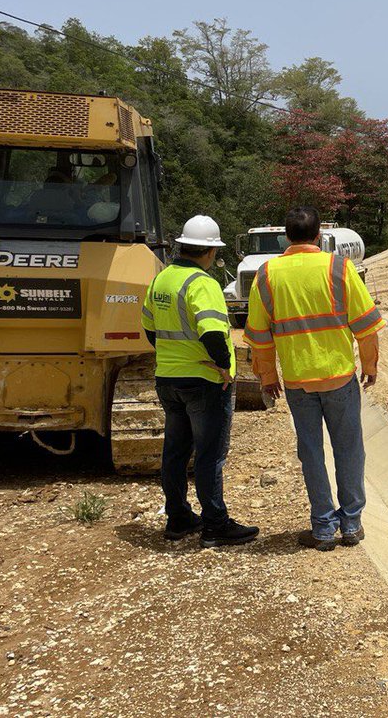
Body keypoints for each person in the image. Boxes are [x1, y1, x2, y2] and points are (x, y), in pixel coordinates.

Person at [245, 206, 384, 552]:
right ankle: (351, 524)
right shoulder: (339, 268)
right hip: (338, 378)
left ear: (286, 239)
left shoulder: (267, 274)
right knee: (349, 450)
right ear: (319, 236)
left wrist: (266, 376)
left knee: (311, 453)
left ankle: (323, 528)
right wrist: (370, 366)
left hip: (297, 382)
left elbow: (259, 337)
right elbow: (366, 328)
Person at [141, 215, 259, 548]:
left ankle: (177, 518)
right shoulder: (202, 283)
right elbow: (211, 332)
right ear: (209, 252)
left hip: (167, 378)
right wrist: (224, 367)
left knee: (175, 452)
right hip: (204, 380)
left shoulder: (161, 280)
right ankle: (215, 525)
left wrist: (172, 358)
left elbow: (150, 329)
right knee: (210, 456)